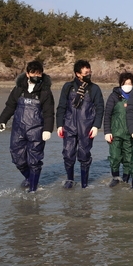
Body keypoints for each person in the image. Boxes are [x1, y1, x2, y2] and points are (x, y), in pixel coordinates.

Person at [0, 61, 54, 193]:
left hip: (37, 131)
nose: (36, 75)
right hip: (18, 130)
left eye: (39, 73)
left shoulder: (45, 92)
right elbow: (10, 106)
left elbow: (49, 113)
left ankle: (33, 190)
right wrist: (2, 121)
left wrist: (47, 129)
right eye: (33, 73)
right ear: (27, 74)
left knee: (34, 161)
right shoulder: (19, 89)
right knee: (18, 159)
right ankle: (30, 178)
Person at [56, 60, 104, 189]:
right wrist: (59, 124)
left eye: (90, 72)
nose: (89, 74)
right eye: (86, 72)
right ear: (78, 74)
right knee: (68, 154)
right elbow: (61, 106)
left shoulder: (94, 88)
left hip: (87, 127)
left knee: (84, 155)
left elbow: (100, 108)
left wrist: (96, 126)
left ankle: (84, 183)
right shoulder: (68, 87)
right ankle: (70, 179)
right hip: (69, 125)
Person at [103, 72, 133, 187]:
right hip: (115, 133)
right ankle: (115, 177)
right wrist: (107, 132)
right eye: (125, 83)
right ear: (120, 84)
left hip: (130, 134)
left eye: (130, 83)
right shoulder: (114, 96)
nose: (127, 85)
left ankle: (126, 178)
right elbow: (107, 114)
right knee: (115, 156)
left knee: (129, 157)